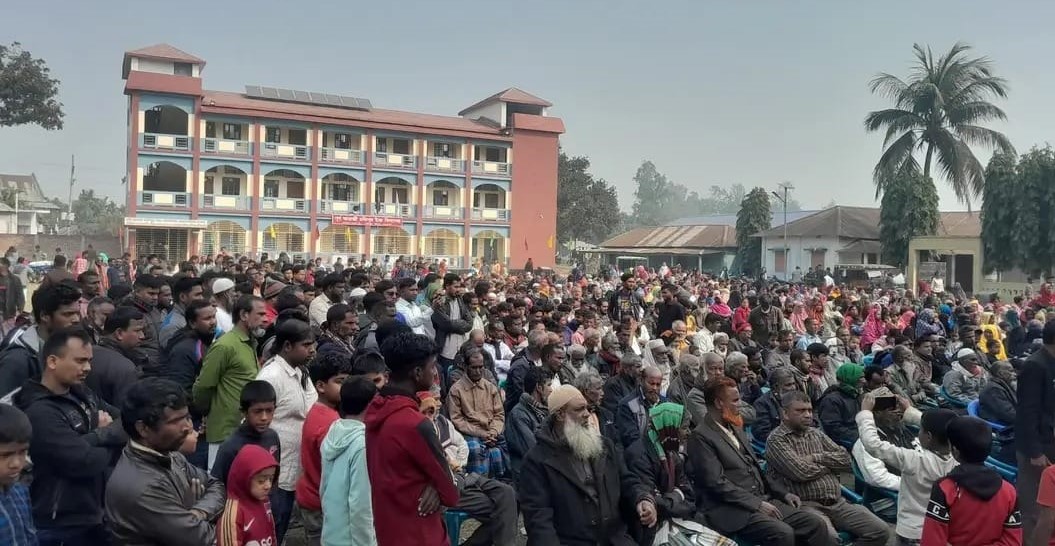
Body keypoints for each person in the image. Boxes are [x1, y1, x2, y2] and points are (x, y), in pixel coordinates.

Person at [686, 377, 833, 546]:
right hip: (733, 510)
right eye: (735, 400)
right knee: (782, 533)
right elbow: (716, 483)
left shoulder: (735, 426)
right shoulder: (701, 437)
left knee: (815, 523)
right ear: (719, 403)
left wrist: (783, 493)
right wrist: (756, 504)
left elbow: (756, 467)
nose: (740, 405)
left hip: (762, 500)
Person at [13, 327, 126, 546]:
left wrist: (90, 439)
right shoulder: (39, 411)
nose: (88, 368)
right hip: (60, 523)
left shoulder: (83, 394)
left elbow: (125, 422)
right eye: (80, 361)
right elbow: (84, 463)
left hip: (94, 513)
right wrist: (103, 434)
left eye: (89, 361)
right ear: (52, 361)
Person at [106, 379, 226, 545]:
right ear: (143, 428)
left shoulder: (170, 455)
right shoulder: (143, 488)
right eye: (175, 421)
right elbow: (201, 539)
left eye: (187, 417)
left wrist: (197, 512)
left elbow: (216, 485)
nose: (188, 427)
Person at [366, 332, 459, 546]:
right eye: (432, 367)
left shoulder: (376, 411)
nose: (435, 373)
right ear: (417, 373)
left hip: (388, 529)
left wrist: (434, 485)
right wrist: (437, 486)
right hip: (420, 533)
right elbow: (451, 493)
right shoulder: (415, 424)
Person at [766, 391, 890, 546]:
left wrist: (816, 458)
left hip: (837, 502)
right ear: (785, 413)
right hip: (806, 505)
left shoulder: (816, 434)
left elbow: (846, 460)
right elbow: (801, 472)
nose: (808, 415)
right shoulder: (776, 440)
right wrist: (831, 466)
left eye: (810, 410)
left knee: (880, 530)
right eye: (800, 411)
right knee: (830, 539)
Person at [519, 384, 639, 545]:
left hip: (614, 539)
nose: (587, 414)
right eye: (579, 409)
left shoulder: (605, 446)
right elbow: (538, 519)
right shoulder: (536, 460)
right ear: (560, 414)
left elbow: (626, 481)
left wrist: (642, 499)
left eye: (587, 408)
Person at [624, 401, 735, 546]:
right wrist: (677, 495)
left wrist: (672, 498)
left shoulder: (671, 450)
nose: (688, 432)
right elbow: (653, 502)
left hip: (679, 517)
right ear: (670, 428)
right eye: (684, 428)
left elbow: (688, 494)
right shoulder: (639, 456)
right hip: (653, 528)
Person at [419, 390, 519, 545]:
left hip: (462, 474)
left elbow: (462, 445)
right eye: (424, 412)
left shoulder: (443, 423)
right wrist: (451, 465)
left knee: (508, 493)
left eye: (432, 410)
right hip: (449, 486)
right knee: (504, 511)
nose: (430, 415)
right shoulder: (419, 432)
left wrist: (458, 463)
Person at [857, 393, 958, 544]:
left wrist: (865, 413)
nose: (898, 412)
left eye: (921, 429)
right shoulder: (957, 458)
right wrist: (910, 411)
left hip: (913, 528)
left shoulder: (914, 459)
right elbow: (947, 428)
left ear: (928, 436)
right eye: (891, 408)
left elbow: (873, 445)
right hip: (940, 522)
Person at [255, 318, 317, 540]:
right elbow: (255, 420)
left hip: (293, 467)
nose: (312, 350)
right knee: (273, 529)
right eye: (306, 345)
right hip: (274, 472)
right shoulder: (271, 376)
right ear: (288, 346)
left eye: (312, 345)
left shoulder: (300, 371)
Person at [921, 416, 1022, 546]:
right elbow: (1013, 542)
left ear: (955, 451)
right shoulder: (1009, 491)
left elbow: (932, 541)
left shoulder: (945, 488)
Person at [194, 295, 268, 468]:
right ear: (244, 315)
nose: (265, 319)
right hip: (225, 432)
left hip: (245, 429)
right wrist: (208, 413)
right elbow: (203, 387)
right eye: (260, 314)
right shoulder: (225, 346)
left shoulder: (250, 343)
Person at [295, 351, 354, 546]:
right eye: (340, 382)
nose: (346, 387)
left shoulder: (321, 412)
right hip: (320, 503)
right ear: (320, 386)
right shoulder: (329, 424)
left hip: (312, 495)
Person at [320, 376, 378, 546]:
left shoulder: (333, 432)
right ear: (370, 405)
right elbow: (361, 505)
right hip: (352, 540)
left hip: (331, 533)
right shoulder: (362, 445)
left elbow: (323, 487)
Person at [0, 280, 81, 398]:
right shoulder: (17, 361)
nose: (76, 319)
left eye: (77, 313)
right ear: (44, 316)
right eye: (68, 314)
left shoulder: (69, 348)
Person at [850, 387, 916, 519]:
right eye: (891, 409)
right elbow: (879, 478)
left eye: (899, 406)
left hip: (913, 493)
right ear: (877, 413)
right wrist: (916, 484)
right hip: (889, 499)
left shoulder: (902, 431)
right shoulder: (864, 443)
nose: (898, 411)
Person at [1017, 320, 1055, 540]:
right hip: (1036, 447)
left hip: (1050, 441)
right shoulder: (1035, 365)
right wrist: (1035, 451)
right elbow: (1027, 412)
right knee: (1035, 508)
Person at [447, 346, 508, 479]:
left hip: (491, 432)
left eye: (481, 367)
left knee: (502, 450)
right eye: (474, 367)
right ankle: (478, 483)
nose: (478, 371)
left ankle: (500, 482)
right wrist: (481, 433)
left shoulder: (490, 388)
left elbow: (499, 414)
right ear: (465, 367)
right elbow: (457, 420)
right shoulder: (456, 390)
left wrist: (493, 432)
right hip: (469, 433)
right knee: (475, 448)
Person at [209, 381, 281, 485]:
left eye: (269, 410)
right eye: (257, 411)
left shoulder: (273, 437)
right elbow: (216, 485)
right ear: (244, 412)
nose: (264, 417)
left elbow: (273, 479)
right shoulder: (230, 447)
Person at [217, 444, 279, 546]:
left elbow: (271, 533)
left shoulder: (264, 500)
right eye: (261, 481)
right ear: (244, 478)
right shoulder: (233, 512)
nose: (268, 485)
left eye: (271, 479)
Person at [86, 306, 146, 407]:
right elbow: (127, 409)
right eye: (137, 331)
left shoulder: (87, 354)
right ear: (119, 333)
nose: (142, 336)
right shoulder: (125, 367)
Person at [505, 365, 550, 478]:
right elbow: (532, 449)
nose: (551, 390)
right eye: (549, 385)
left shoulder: (544, 410)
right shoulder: (519, 414)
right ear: (539, 388)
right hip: (528, 474)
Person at [0, 404, 34, 545]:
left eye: (22, 452)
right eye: (5, 455)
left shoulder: (20, 490)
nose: (16, 463)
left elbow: (30, 537)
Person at [616, 365, 665, 448]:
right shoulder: (627, 405)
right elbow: (630, 437)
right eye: (651, 384)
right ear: (641, 381)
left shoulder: (665, 403)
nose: (654, 388)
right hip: (639, 451)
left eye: (658, 385)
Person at [121, 273, 165, 364]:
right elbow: (128, 344)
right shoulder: (127, 312)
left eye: (157, 294)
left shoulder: (154, 310)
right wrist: (144, 360)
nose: (155, 298)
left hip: (159, 362)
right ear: (137, 291)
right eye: (151, 294)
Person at [817, 363, 865, 447]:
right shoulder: (831, 400)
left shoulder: (855, 395)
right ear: (850, 377)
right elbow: (833, 428)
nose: (864, 381)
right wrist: (859, 438)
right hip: (846, 443)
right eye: (861, 377)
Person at [433, 273, 473, 371]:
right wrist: (460, 323)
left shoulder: (460, 300)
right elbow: (447, 324)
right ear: (447, 286)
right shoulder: (439, 302)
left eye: (459, 287)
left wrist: (454, 323)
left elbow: (469, 323)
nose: (458, 289)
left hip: (461, 347)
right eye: (456, 287)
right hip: (446, 349)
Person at [751, 367, 799, 442]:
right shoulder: (761, 404)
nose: (793, 388)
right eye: (788, 385)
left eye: (794, 384)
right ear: (775, 387)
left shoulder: (797, 398)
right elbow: (762, 434)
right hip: (777, 442)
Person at [159, 277, 204, 348]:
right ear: (182, 297)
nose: (202, 298)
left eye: (201, 294)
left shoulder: (192, 317)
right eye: (197, 295)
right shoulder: (172, 326)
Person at [979, 360, 1016, 426]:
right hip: (1003, 426)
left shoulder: (1003, 385)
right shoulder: (993, 389)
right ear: (1000, 374)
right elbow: (1009, 415)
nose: (1015, 374)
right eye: (1011, 371)